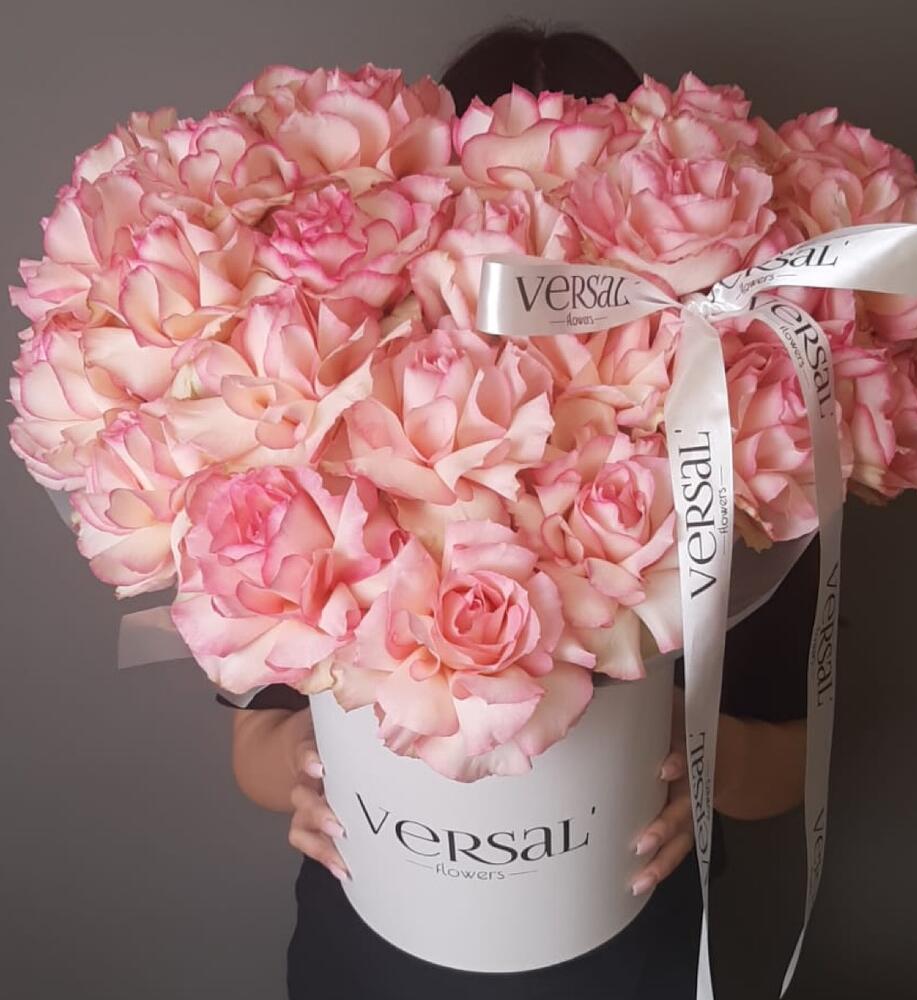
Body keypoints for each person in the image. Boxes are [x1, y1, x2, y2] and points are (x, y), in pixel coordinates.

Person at [222, 25, 814, 999]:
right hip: (375, 939)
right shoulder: (331, 447)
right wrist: (304, 763)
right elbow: (254, 739)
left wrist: (703, 764)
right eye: (497, 211)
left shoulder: (737, 453)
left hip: (629, 947)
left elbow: (793, 760)